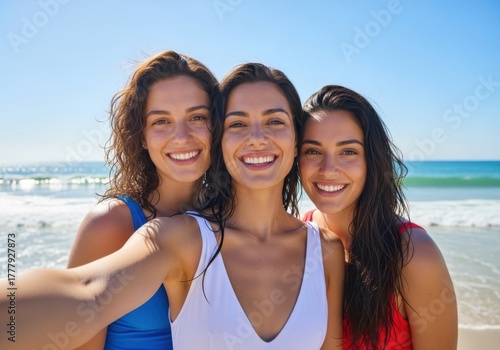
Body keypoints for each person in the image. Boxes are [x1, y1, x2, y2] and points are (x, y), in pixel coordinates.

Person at [0, 64, 345, 350]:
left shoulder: (325, 248)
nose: (257, 137)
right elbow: (84, 294)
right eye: (237, 123)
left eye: (275, 121)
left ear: (298, 139)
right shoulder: (175, 236)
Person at [67, 50, 219, 349]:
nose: (182, 136)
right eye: (161, 121)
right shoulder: (111, 224)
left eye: (197, 117)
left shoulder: (227, 220)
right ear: (142, 136)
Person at [299, 85, 458, 349]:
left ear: (372, 160)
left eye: (348, 151)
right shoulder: (298, 236)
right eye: (313, 151)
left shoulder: (414, 253)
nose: (328, 169)